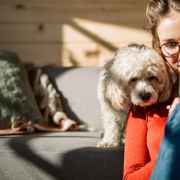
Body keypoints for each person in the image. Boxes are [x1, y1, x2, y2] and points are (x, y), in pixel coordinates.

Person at [123, 0, 180, 179]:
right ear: (159, 48)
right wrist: (168, 153)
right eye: (170, 44)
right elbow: (130, 177)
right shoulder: (145, 103)